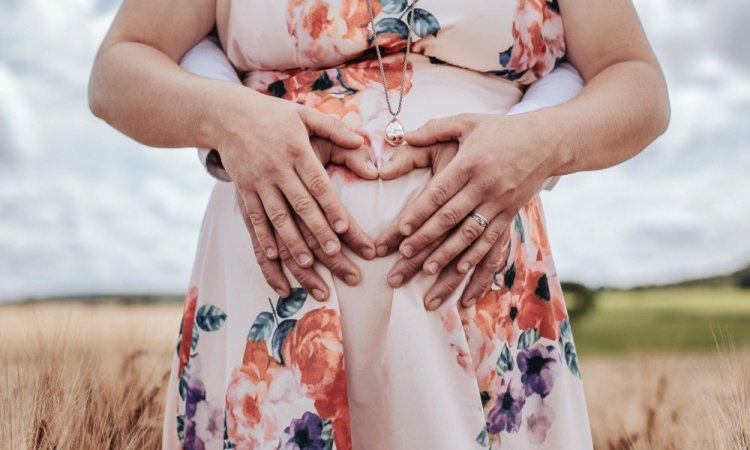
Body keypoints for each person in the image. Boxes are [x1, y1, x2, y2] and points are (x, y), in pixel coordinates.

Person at [88, 0, 670, 448]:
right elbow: (120, 69)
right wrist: (228, 118)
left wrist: (539, 142)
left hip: (480, 290)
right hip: (268, 304)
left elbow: (637, 84)